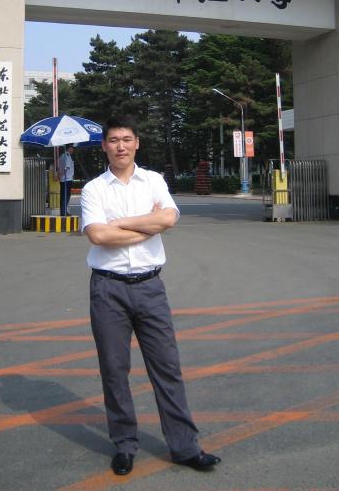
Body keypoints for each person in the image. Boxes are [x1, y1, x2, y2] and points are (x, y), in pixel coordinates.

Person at [81, 116, 220, 476]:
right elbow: (98, 236)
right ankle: (124, 445)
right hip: (108, 289)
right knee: (114, 370)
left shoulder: (154, 180)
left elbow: (169, 219)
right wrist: (147, 225)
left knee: (167, 368)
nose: (121, 146)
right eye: (114, 140)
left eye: (127, 139)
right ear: (104, 146)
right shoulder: (94, 189)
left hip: (150, 288)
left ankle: (185, 447)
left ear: (137, 143)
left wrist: (119, 223)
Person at [57, 144, 74, 216]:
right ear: (69, 148)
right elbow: (66, 167)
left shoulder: (61, 156)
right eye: (72, 148)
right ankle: (64, 212)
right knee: (66, 196)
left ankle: (63, 211)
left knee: (63, 196)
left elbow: (58, 167)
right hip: (67, 179)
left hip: (63, 180)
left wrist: (59, 175)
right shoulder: (67, 156)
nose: (73, 150)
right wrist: (62, 174)